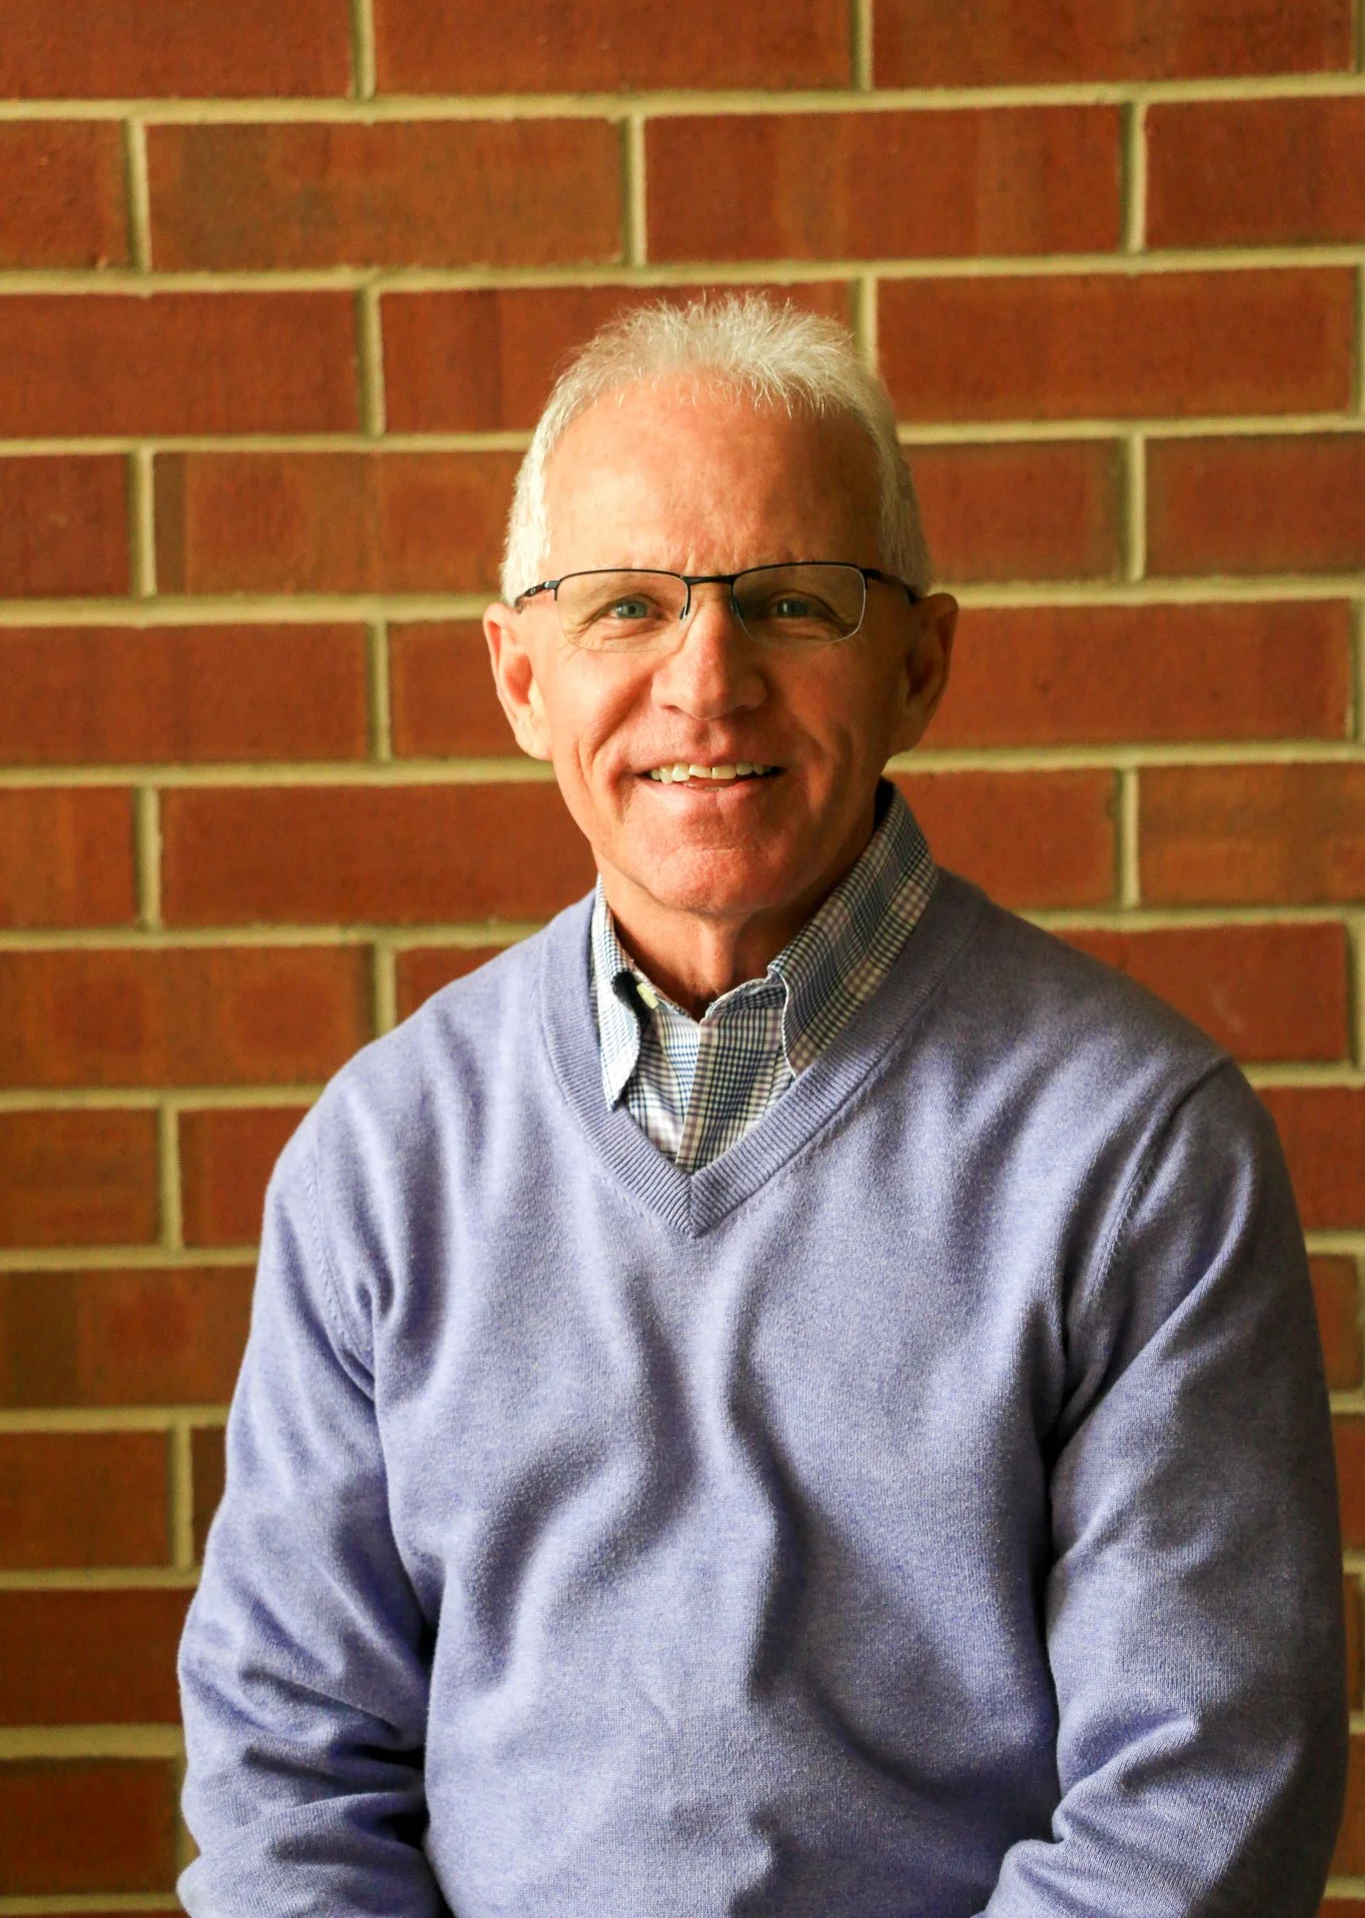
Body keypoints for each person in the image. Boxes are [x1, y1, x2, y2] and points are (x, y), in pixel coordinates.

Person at [178, 295, 1346, 1916]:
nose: (707, 683)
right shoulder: (383, 1158)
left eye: (793, 602)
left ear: (921, 662)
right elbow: (285, 1771)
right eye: (626, 608)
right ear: (519, 678)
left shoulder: (1135, 1150)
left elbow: (1202, 1789)